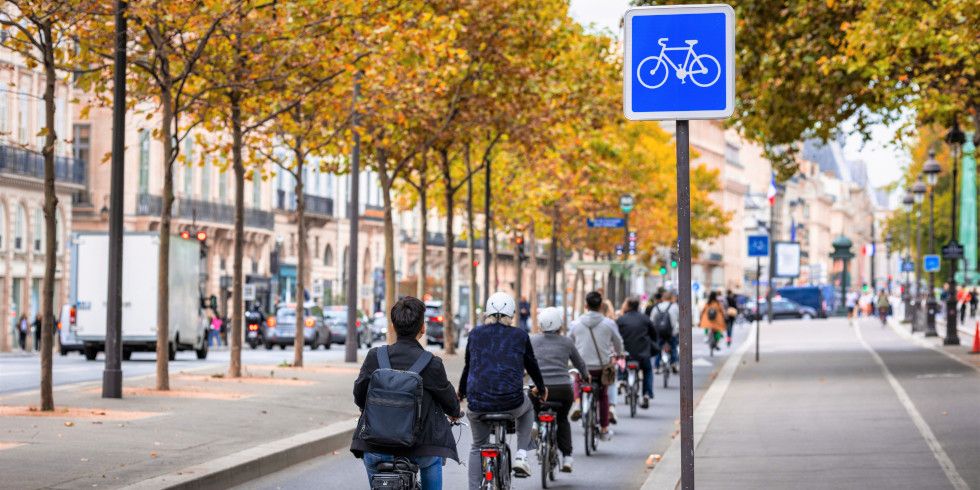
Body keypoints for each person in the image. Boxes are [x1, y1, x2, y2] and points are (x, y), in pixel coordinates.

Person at [351, 296, 462, 490]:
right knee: (433, 461)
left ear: (393, 326)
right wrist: (454, 413)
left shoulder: (374, 357)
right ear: (422, 328)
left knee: (374, 469)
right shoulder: (432, 363)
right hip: (419, 449)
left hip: (375, 447)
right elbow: (451, 403)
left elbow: (359, 395)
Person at [459, 292, 546, 483]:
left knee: (477, 446)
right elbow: (531, 364)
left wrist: (461, 393)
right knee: (528, 407)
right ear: (512, 314)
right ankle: (521, 455)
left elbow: (469, 366)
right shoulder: (520, 335)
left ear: (487, 313)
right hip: (512, 402)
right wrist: (541, 387)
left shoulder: (475, 334)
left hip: (477, 404)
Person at [530, 307, 590, 473]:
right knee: (563, 419)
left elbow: (524, 362)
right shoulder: (567, 342)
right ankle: (568, 458)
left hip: (538, 389)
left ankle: (535, 422)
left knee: (533, 406)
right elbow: (579, 364)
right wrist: (585, 376)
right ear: (559, 324)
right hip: (563, 389)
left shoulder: (532, 340)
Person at [569, 291, 624, 440]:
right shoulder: (609, 324)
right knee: (603, 395)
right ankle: (604, 429)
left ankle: (578, 403)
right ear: (601, 306)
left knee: (578, 378)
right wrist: (619, 354)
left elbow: (569, 343)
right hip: (601, 368)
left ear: (585, 305)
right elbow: (618, 343)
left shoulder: (576, 324)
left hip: (583, 368)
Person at [615, 297, 658, 408]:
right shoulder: (645, 319)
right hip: (642, 353)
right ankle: (647, 394)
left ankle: (621, 380)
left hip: (626, 354)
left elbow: (615, 337)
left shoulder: (621, 320)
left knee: (620, 360)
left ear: (628, 306)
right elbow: (654, 335)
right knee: (648, 370)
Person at [652, 291, 680, 374]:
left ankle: (656, 366)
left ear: (662, 298)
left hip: (659, 333)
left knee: (658, 349)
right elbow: (679, 319)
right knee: (674, 347)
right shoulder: (675, 307)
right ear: (671, 298)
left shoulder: (656, 307)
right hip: (671, 332)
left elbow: (652, 320)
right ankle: (674, 363)